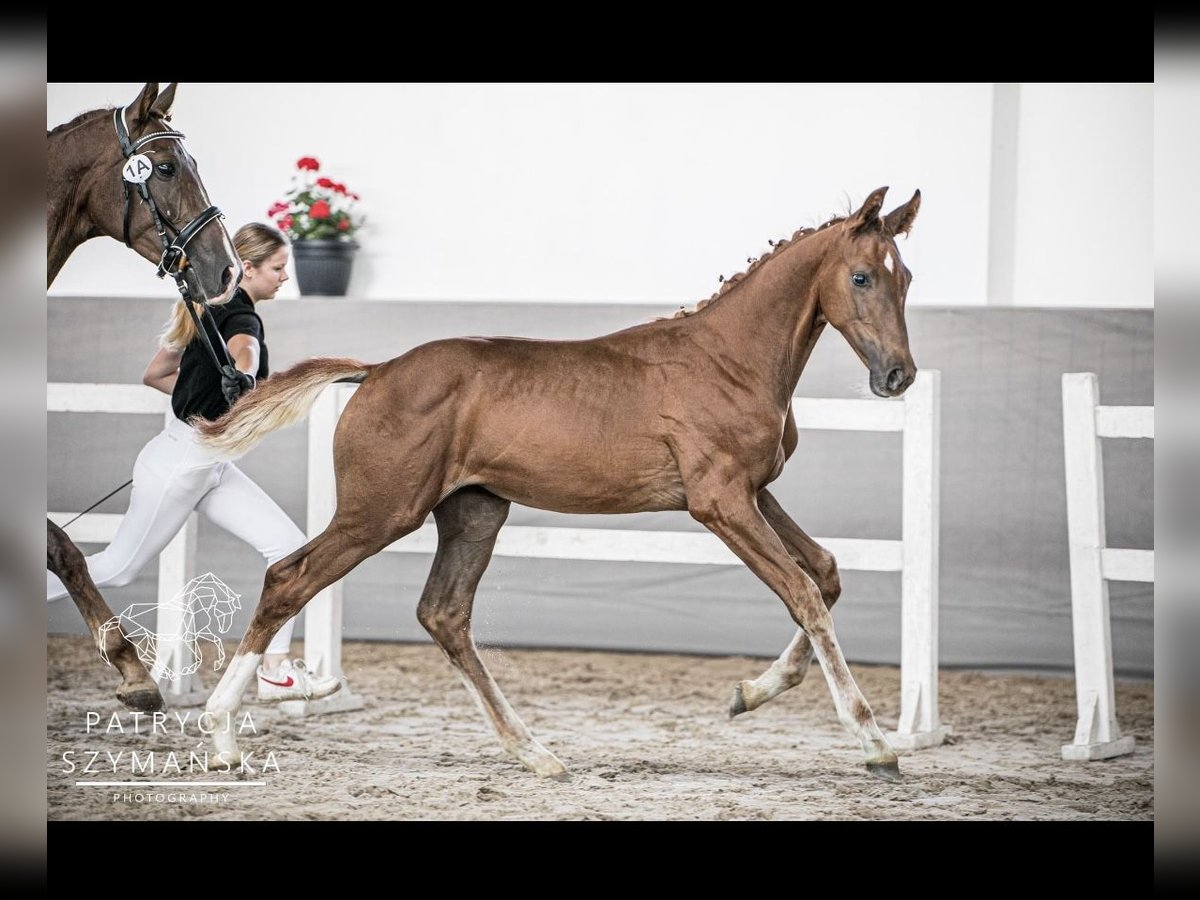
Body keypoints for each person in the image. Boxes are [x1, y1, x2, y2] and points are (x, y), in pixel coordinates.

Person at [48, 223, 340, 703]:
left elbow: (155, 374)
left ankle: (276, 671)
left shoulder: (204, 308)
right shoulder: (241, 314)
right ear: (247, 268)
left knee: (289, 547)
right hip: (183, 462)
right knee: (118, 568)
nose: (285, 277)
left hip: (209, 464)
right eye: (279, 268)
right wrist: (243, 377)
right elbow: (243, 350)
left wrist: (206, 398)